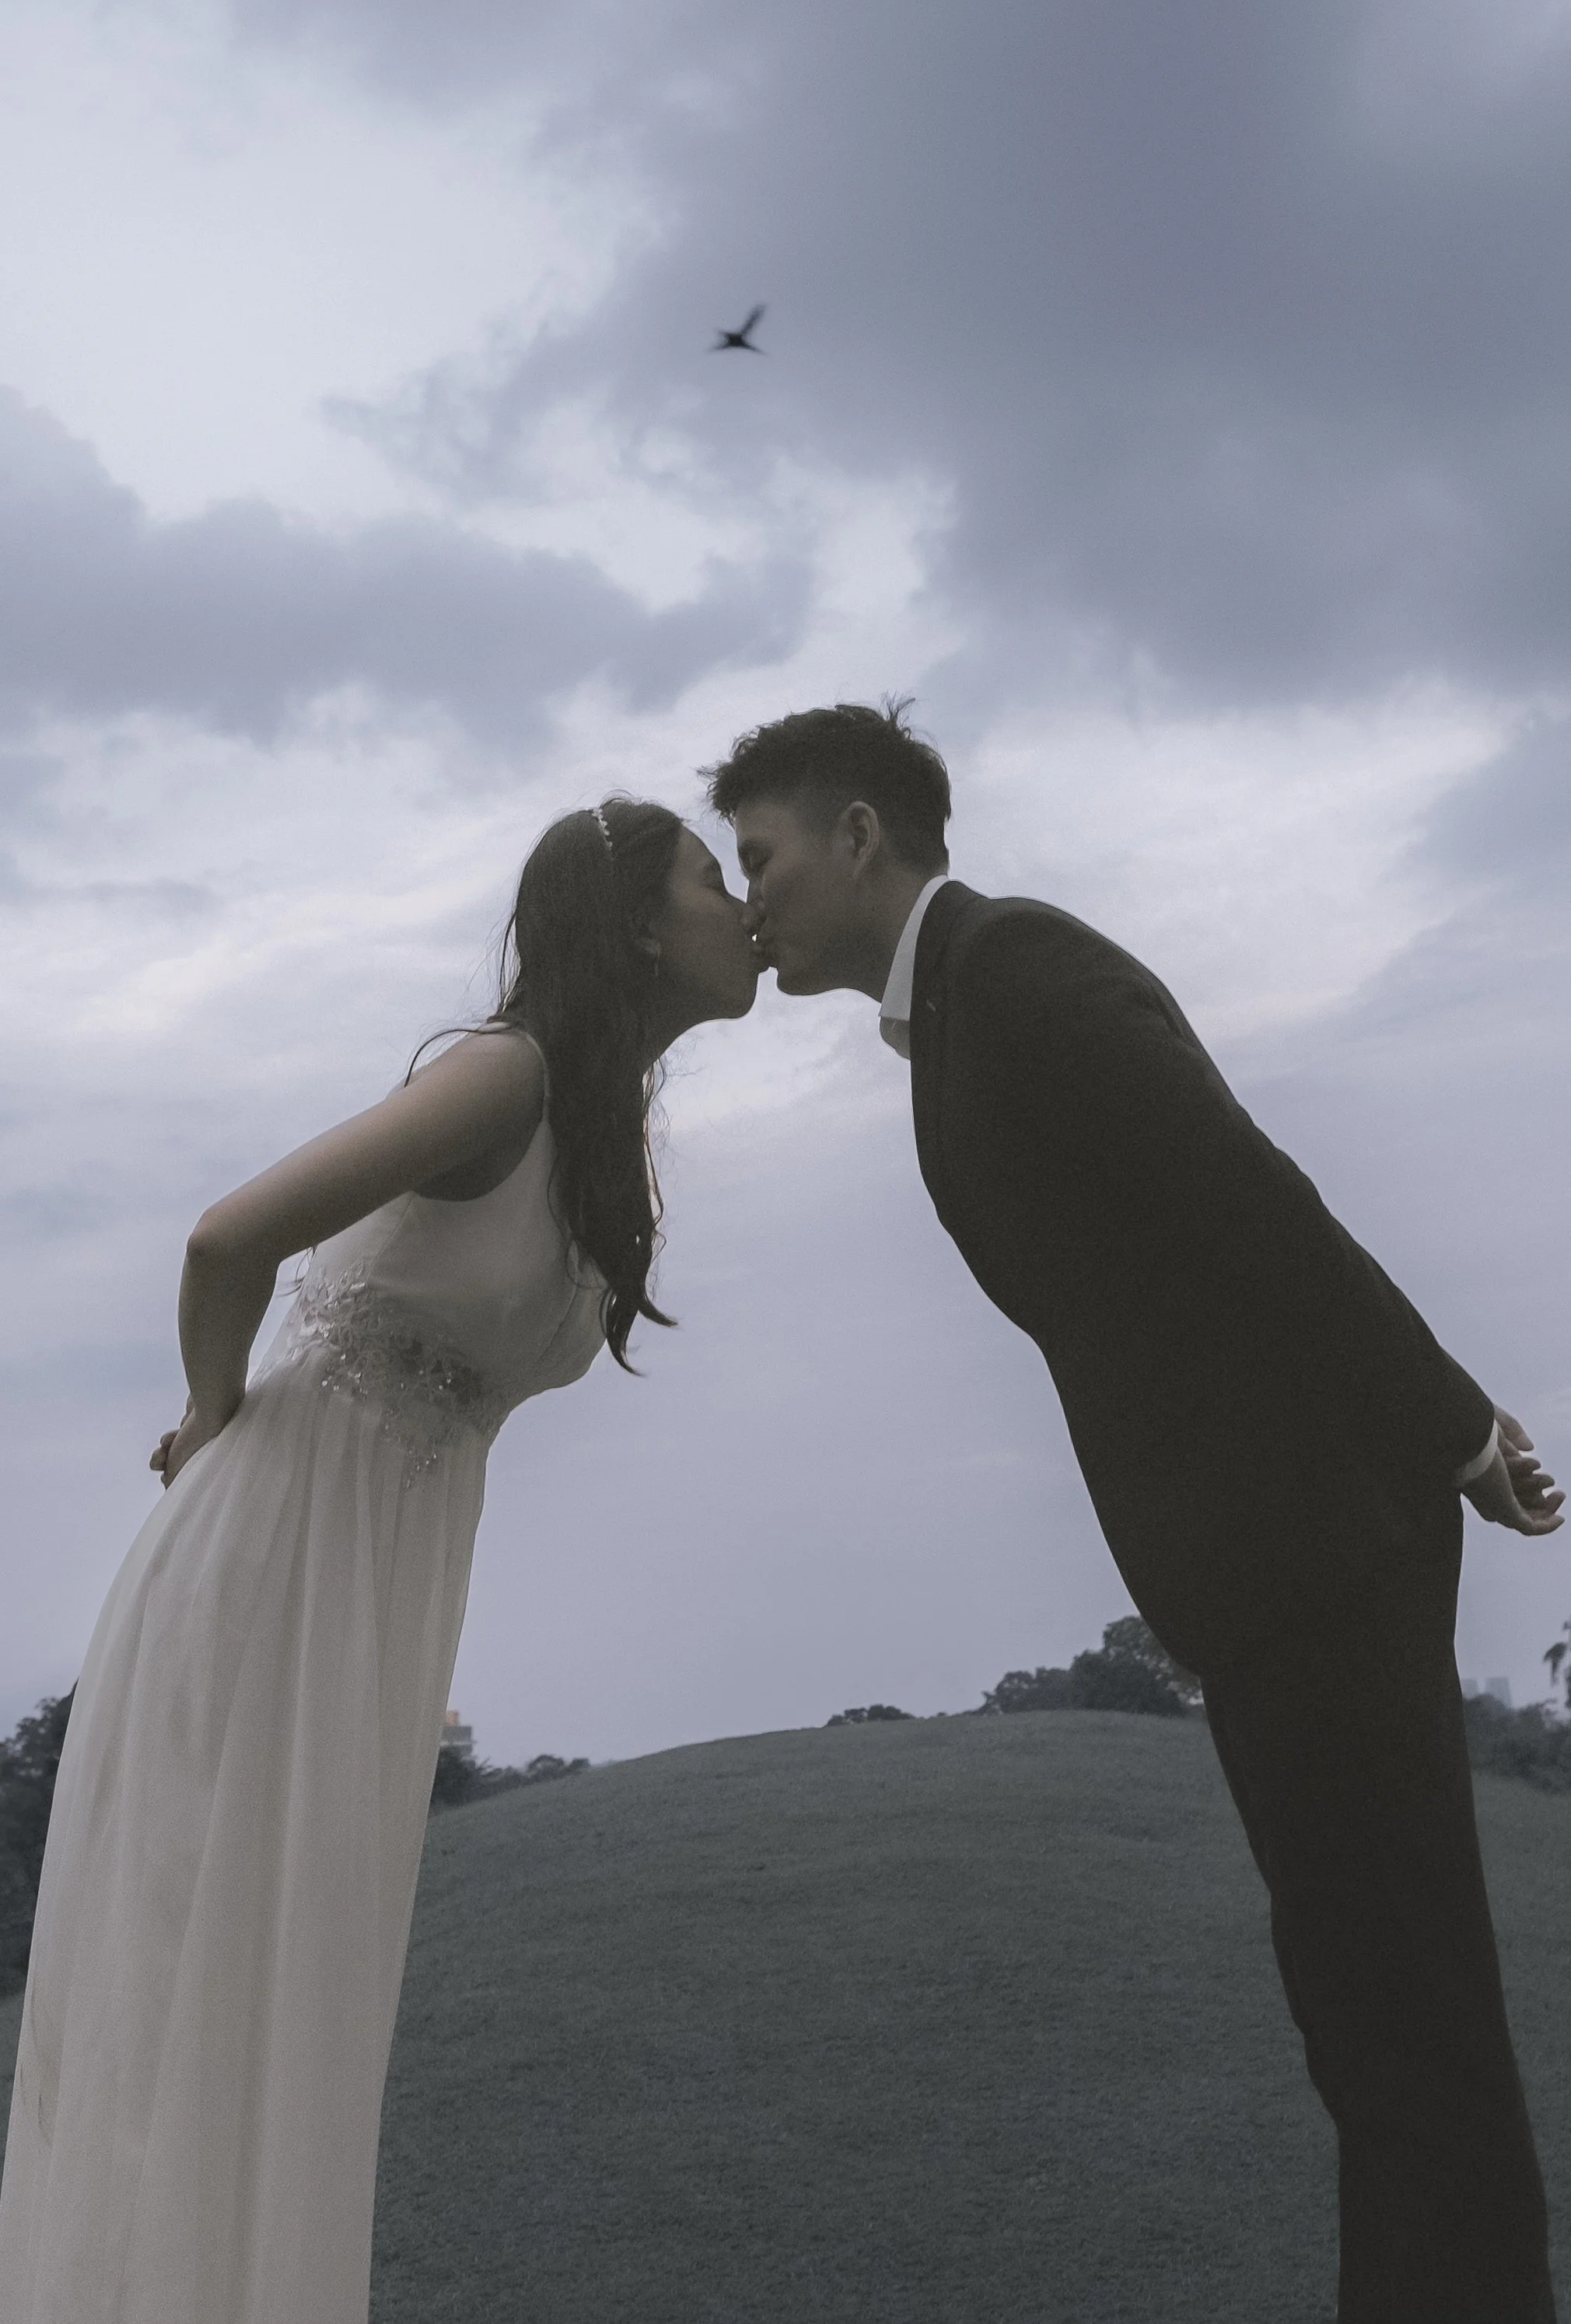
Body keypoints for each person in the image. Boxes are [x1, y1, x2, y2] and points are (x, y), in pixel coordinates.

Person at [705, 702, 1565, 2324]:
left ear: (857, 837)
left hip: (1321, 1551)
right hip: (1259, 1576)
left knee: (1402, 2018)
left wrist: (1448, 1427)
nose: (751, 898)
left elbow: (1248, 1195)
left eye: (760, 858)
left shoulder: (1017, 970)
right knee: (1361, 2016)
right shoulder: (955, 1010)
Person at [0, 800, 761, 2324]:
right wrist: (214, 1405)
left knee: (289, 2000)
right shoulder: (504, 1075)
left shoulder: (603, 1135)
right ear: (625, 926)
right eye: (708, 876)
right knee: (196, 1986)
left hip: (372, 1593)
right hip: (271, 1558)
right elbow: (230, 1239)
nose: (737, 902)